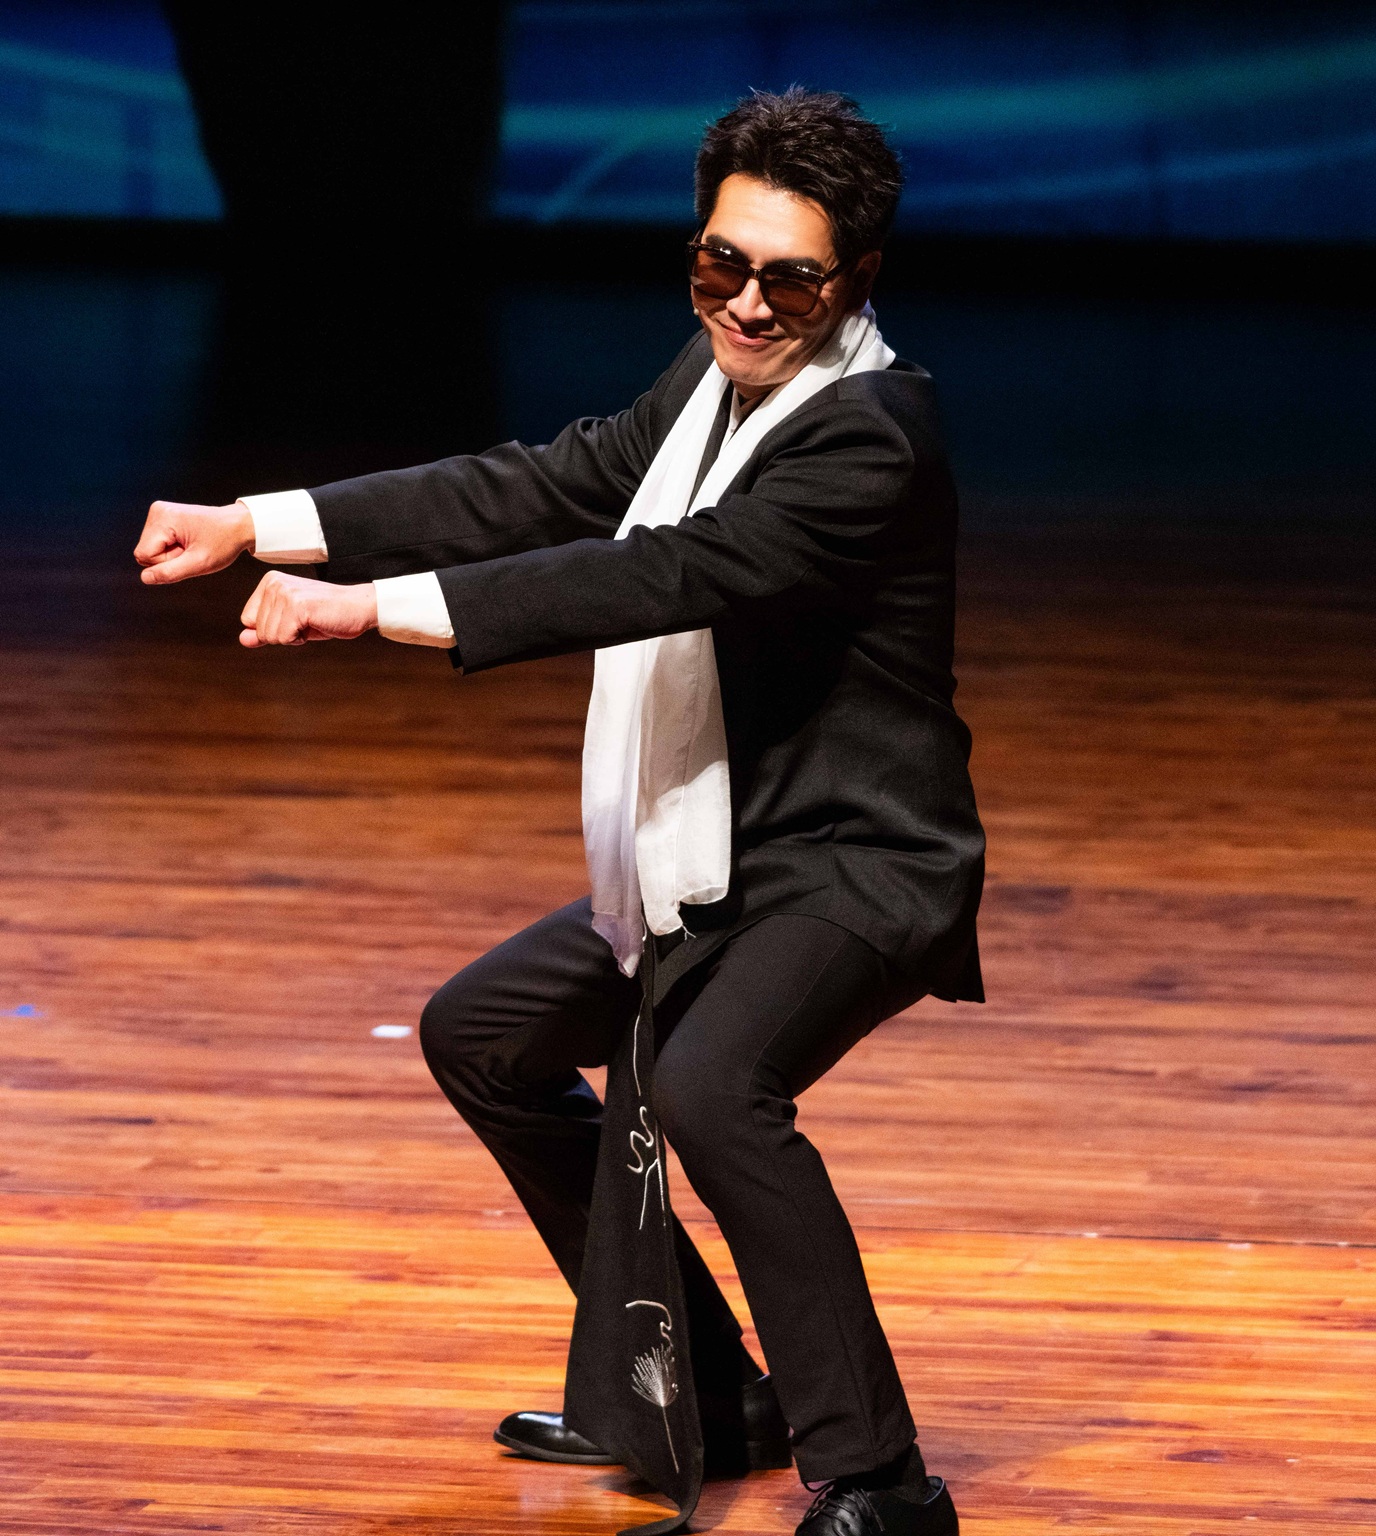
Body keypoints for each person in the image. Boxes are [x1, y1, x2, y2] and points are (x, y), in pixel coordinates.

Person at [134, 88, 983, 1536]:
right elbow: (557, 481)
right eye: (722, 265)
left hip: (851, 864)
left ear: (858, 282)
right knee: (485, 1036)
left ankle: (882, 1482)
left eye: (791, 281)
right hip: (711, 851)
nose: (749, 305)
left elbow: (659, 576)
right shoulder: (716, 382)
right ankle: (707, 1393)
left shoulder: (869, 437)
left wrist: (371, 612)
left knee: (715, 1088)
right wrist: (263, 522)